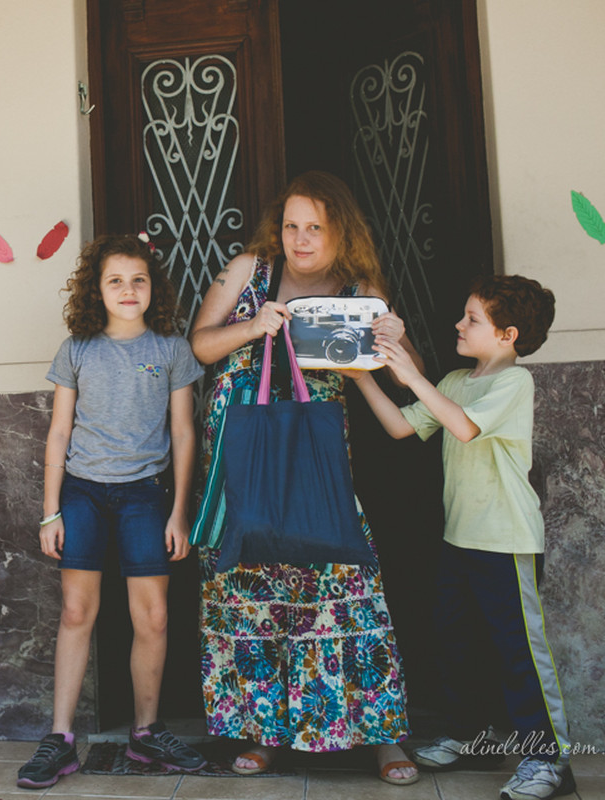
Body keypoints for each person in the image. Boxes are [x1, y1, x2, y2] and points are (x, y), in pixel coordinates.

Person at [189, 171, 420, 785]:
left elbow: (405, 374)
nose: (300, 238)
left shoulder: (358, 288)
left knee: (344, 585)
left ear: (338, 230)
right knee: (251, 589)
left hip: (314, 460)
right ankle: (263, 734)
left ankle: (382, 737)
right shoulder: (248, 270)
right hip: (241, 456)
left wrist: (395, 337)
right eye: (292, 225)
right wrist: (253, 326)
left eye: (314, 226)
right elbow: (201, 347)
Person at [347, 275, 576, 800]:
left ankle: (546, 759)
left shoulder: (514, 383)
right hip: (460, 540)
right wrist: (361, 377)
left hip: (507, 542)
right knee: (457, 643)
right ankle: (468, 736)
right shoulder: (454, 379)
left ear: (507, 335)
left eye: (472, 319)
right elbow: (403, 427)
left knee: (519, 653)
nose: (458, 323)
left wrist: (407, 371)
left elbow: (465, 427)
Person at [16, 234, 208, 790]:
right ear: (96, 290)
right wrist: (51, 511)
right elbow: (58, 433)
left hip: (146, 495)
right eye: (116, 281)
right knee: (77, 612)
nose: (129, 290)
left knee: (153, 618)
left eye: (139, 279)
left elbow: (182, 432)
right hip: (83, 493)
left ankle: (147, 734)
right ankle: (60, 739)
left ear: (154, 287)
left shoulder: (171, 348)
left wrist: (179, 511)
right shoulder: (77, 348)